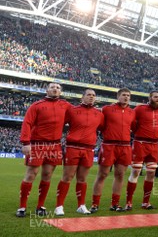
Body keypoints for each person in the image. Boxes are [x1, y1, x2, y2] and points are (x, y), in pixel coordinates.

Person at [17, 82, 72, 217]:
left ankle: (40, 206)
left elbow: (79, 115)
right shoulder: (37, 106)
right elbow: (27, 123)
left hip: (55, 145)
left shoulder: (66, 106)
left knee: (47, 175)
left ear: (60, 92)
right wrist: (25, 142)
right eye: (52, 87)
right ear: (47, 90)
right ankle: (22, 207)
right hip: (37, 144)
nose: (55, 89)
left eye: (58, 88)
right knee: (31, 174)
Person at [54, 89, 104, 216]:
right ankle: (59, 206)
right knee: (67, 177)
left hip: (89, 149)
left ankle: (81, 205)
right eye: (89, 95)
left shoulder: (99, 114)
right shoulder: (72, 110)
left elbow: (104, 129)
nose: (91, 97)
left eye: (93, 95)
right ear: (82, 97)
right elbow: (59, 124)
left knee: (82, 178)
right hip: (73, 147)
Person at [90, 88, 135, 213]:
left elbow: (133, 127)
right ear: (118, 96)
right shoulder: (107, 109)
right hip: (109, 145)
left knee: (120, 175)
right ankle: (95, 204)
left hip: (125, 146)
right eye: (123, 95)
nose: (126, 97)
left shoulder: (132, 112)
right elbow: (100, 126)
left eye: (128, 95)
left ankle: (114, 204)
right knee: (102, 175)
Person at [125, 90, 158, 210]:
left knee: (151, 173)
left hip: (154, 145)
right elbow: (132, 123)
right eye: (155, 97)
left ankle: (145, 202)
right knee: (136, 172)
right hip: (140, 143)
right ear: (150, 98)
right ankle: (129, 202)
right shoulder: (139, 109)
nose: (157, 99)